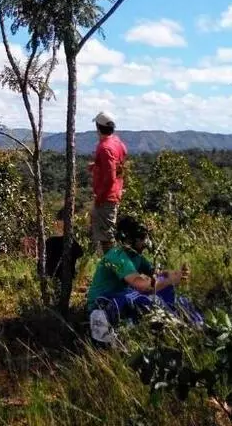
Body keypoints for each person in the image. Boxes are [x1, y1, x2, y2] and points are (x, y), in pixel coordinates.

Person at [87, 216, 202, 345]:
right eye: (141, 238)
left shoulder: (136, 257)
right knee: (145, 297)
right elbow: (142, 285)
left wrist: (174, 274)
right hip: (104, 302)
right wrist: (169, 280)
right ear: (129, 239)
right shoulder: (118, 256)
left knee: (167, 290)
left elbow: (157, 274)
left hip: (122, 297)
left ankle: (194, 325)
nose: (145, 242)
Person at [89, 111, 128, 253]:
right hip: (114, 193)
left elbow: (110, 176)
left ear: (98, 127)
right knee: (106, 234)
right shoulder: (117, 143)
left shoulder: (105, 147)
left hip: (107, 197)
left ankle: (112, 263)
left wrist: (100, 197)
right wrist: (97, 167)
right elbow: (119, 161)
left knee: (106, 238)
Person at [44, 208, 83, 281]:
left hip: (52, 277)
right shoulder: (71, 241)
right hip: (66, 277)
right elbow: (80, 253)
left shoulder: (49, 241)